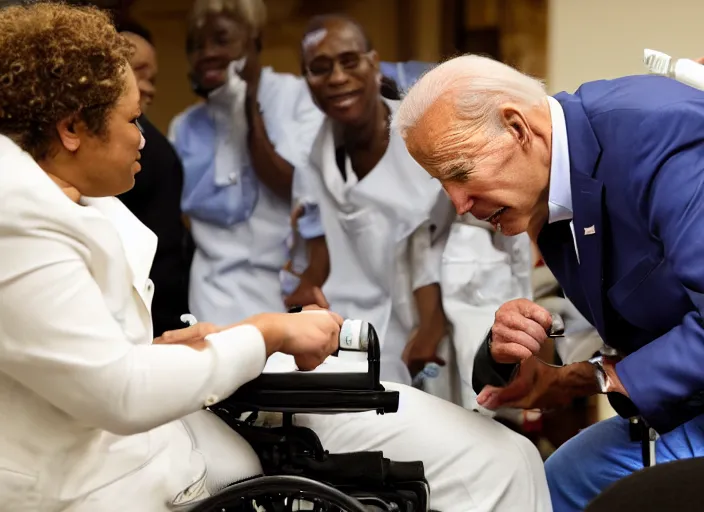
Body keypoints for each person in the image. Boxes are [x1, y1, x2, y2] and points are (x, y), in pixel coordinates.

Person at [0, 6, 552, 510]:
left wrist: (161, 347)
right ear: (71, 128)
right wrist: (266, 333)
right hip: (125, 470)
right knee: (495, 464)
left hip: (206, 415)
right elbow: (116, 389)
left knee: (502, 454)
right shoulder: (18, 223)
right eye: (132, 119)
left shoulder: (76, 203)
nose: (145, 138)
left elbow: (73, 347)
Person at [394, 52, 704, 510]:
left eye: (459, 172)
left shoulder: (657, 138)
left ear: (517, 128)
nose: (458, 203)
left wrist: (598, 377)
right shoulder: (549, 185)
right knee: (541, 490)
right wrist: (529, 360)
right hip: (684, 407)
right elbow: (628, 324)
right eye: (442, 182)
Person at [284, 15, 454, 386]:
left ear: (374, 63)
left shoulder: (422, 140)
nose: (338, 78)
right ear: (306, 80)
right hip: (346, 342)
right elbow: (318, 255)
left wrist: (431, 325)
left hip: (428, 338)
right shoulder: (313, 158)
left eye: (349, 61)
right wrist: (302, 296)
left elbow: (441, 241)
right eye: (319, 68)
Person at [169, 0, 325, 325]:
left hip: (282, 291)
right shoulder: (184, 126)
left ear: (254, 40)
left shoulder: (296, 98)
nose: (207, 52)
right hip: (211, 295)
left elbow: (292, 185)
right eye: (195, 46)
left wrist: (246, 108)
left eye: (221, 40)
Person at [116, 19, 193, 337]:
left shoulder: (147, 141)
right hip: (135, 315)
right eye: (139, 70)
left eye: (153, 77)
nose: (150, 87)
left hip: (159, 308)